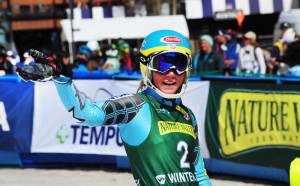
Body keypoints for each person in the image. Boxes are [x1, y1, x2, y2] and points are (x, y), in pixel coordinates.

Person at [16, 30, 211, 185]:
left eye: (179, 63)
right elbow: (85, 113)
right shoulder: (135, 106)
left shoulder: (187, 115)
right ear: (146, 67)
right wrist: (61, 78)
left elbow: (200, 175)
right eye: (163, 64)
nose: (172, 73)